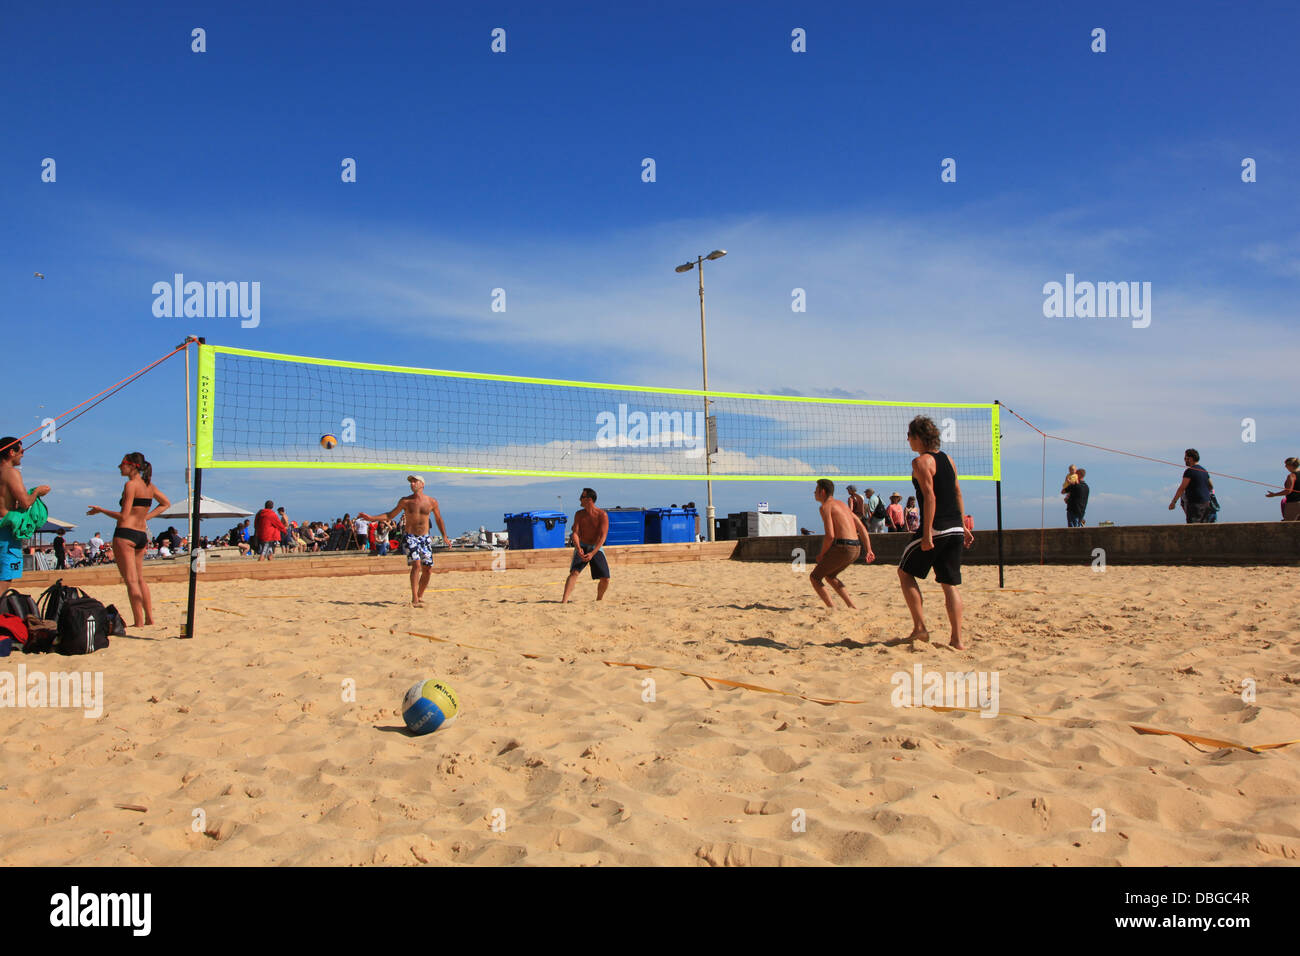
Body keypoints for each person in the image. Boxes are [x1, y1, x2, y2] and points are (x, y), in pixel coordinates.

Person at [896, 416, 975, 649]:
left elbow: (930, 497)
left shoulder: (920, 462)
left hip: (937, 527)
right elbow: (958, 492)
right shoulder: (949, 460)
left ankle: (920, 628)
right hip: (954, 528)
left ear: (918, 437)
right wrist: (963, 525)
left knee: (904, 573)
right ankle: (957, 640)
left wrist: (928, 534)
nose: (907, 439)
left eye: (909, 435)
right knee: (949, 584)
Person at [86, 452, 169, 627]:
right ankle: (149, 619)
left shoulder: (130, 485)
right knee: (140, 579)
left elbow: (123, 516)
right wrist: (146, 517)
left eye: (122, 464)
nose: (119, 467)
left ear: (132, 466)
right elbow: (165, 504)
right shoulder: (149, 486)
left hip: (126, 533)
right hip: (141, 534)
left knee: (131, 580)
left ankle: (138, 622)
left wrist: (101, 510)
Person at [358, 475, 449, 606]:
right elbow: (390, 515)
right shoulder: (405, 501)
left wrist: (444, 536)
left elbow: (439, 519)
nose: (412, 484)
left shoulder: (431, 501)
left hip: (425, 537)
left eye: (415, 481)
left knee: (428, 568)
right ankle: (415, 599)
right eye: (411, 482)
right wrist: (371, 518)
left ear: (422, 484)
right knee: (416, 565)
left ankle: (420, 595)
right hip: (410, 536)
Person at [809, 478, 875, 609]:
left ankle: (831, 608)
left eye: (815, 490)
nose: (814, 492)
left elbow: (830, 535)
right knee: (830, 576)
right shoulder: (843, 505)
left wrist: (822, 554)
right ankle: (851, 606)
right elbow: (861, 527)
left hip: (843, 547)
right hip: (856, 547)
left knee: (815, 577)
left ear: (822, 491)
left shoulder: (825, 507)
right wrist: (869, 549)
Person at [0, 437, 52, 583]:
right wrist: (37, 492)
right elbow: (25, 502)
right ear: (11, 452)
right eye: (21, 451)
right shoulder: (11, 473)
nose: (23, 454)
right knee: (6, 577)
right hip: (5, 530)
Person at [562, 487, 610, 603]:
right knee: (574, 572)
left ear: (589, 499)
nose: (580, 499)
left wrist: (593, 553)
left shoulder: (602, 515)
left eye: (582, 497)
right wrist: (578, 548)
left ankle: (599, 600)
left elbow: (603, 537)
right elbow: (575, 533)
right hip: (582, 545)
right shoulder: (579, 514)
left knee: (606, 579)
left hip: (595, 547)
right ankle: (564, 601)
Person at [1169, 449, 1214, 523]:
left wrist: (1173, 502)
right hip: (1206, 504)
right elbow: (1211, 486)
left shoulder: (1189, 471)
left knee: (1193, 530)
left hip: (1195, 505)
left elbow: (1182, 488)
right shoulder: (1204, 471)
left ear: (1190, 459)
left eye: (1185, 458)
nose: (1184, 460)